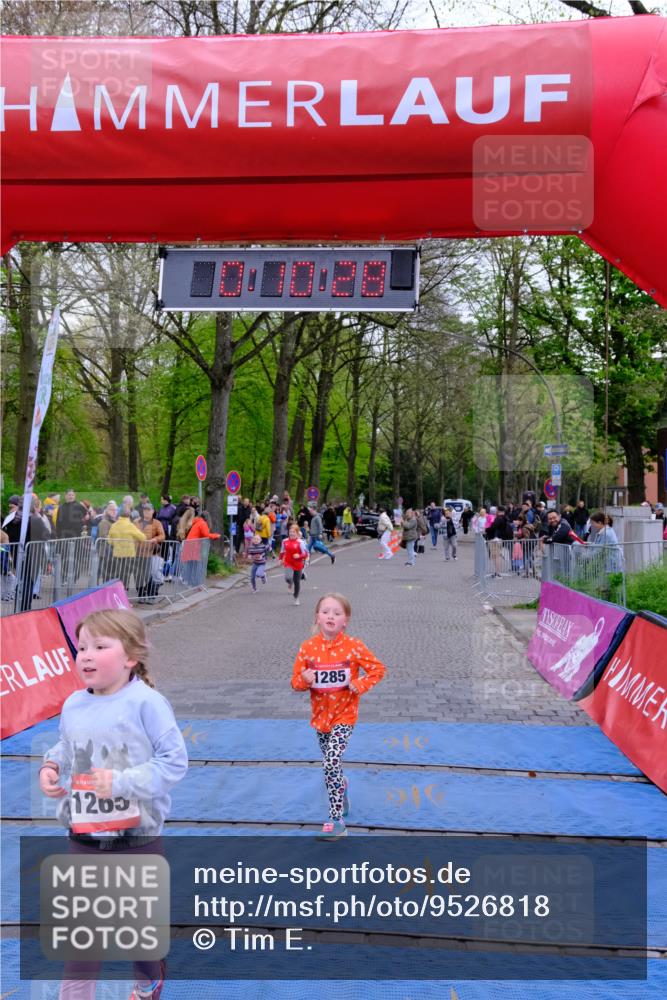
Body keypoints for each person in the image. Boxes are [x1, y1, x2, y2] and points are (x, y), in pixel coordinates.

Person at [39, 608, 188, 1000]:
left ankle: (148, 980)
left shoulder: (147, 703)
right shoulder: (73, 704)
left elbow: (174, 761)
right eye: (82, 647)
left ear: (131, 657)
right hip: (84, 836)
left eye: (100, 647)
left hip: (137, 839)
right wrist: (52, 766)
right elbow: (68, 744)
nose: (86, 655)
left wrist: (121, 782)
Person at [291, 593, 385, 840]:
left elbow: (377, 669)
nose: (330, 616)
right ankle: (341, 786)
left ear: (346, 620)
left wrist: (360, 684)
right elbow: (295, 683)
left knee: (331, 762)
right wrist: (304, 680)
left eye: (337, 613)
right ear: (317, 617)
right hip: (321, 718)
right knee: (331, 765)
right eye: (325, 612)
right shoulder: (307, 648)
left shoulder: (354, 646)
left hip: (345, 715)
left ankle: (336, 821)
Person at [136, 503, 166, 603]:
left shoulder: (157, 523)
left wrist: (155, 539)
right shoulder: (137, 522)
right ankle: (141, 596)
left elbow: (162, 536)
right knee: (138, 576)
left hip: (149, 553)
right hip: (137, 553)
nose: (146, 512)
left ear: (153, 511)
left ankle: (151, 596)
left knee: (148, 575)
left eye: (149, 510)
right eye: (145, 510)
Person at [281, 523, 308, 605]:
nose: (291, 533)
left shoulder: (301, 542)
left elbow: (306, 554)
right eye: (290, 532)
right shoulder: (284, 541)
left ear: (297, 533)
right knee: (288, 578)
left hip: (298, 564)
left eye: (293, 532)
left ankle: (296, 597)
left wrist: (299, 555)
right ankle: (290, 582)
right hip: (288, 562)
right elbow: (282, 551)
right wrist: (280, 559)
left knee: (297, 582)